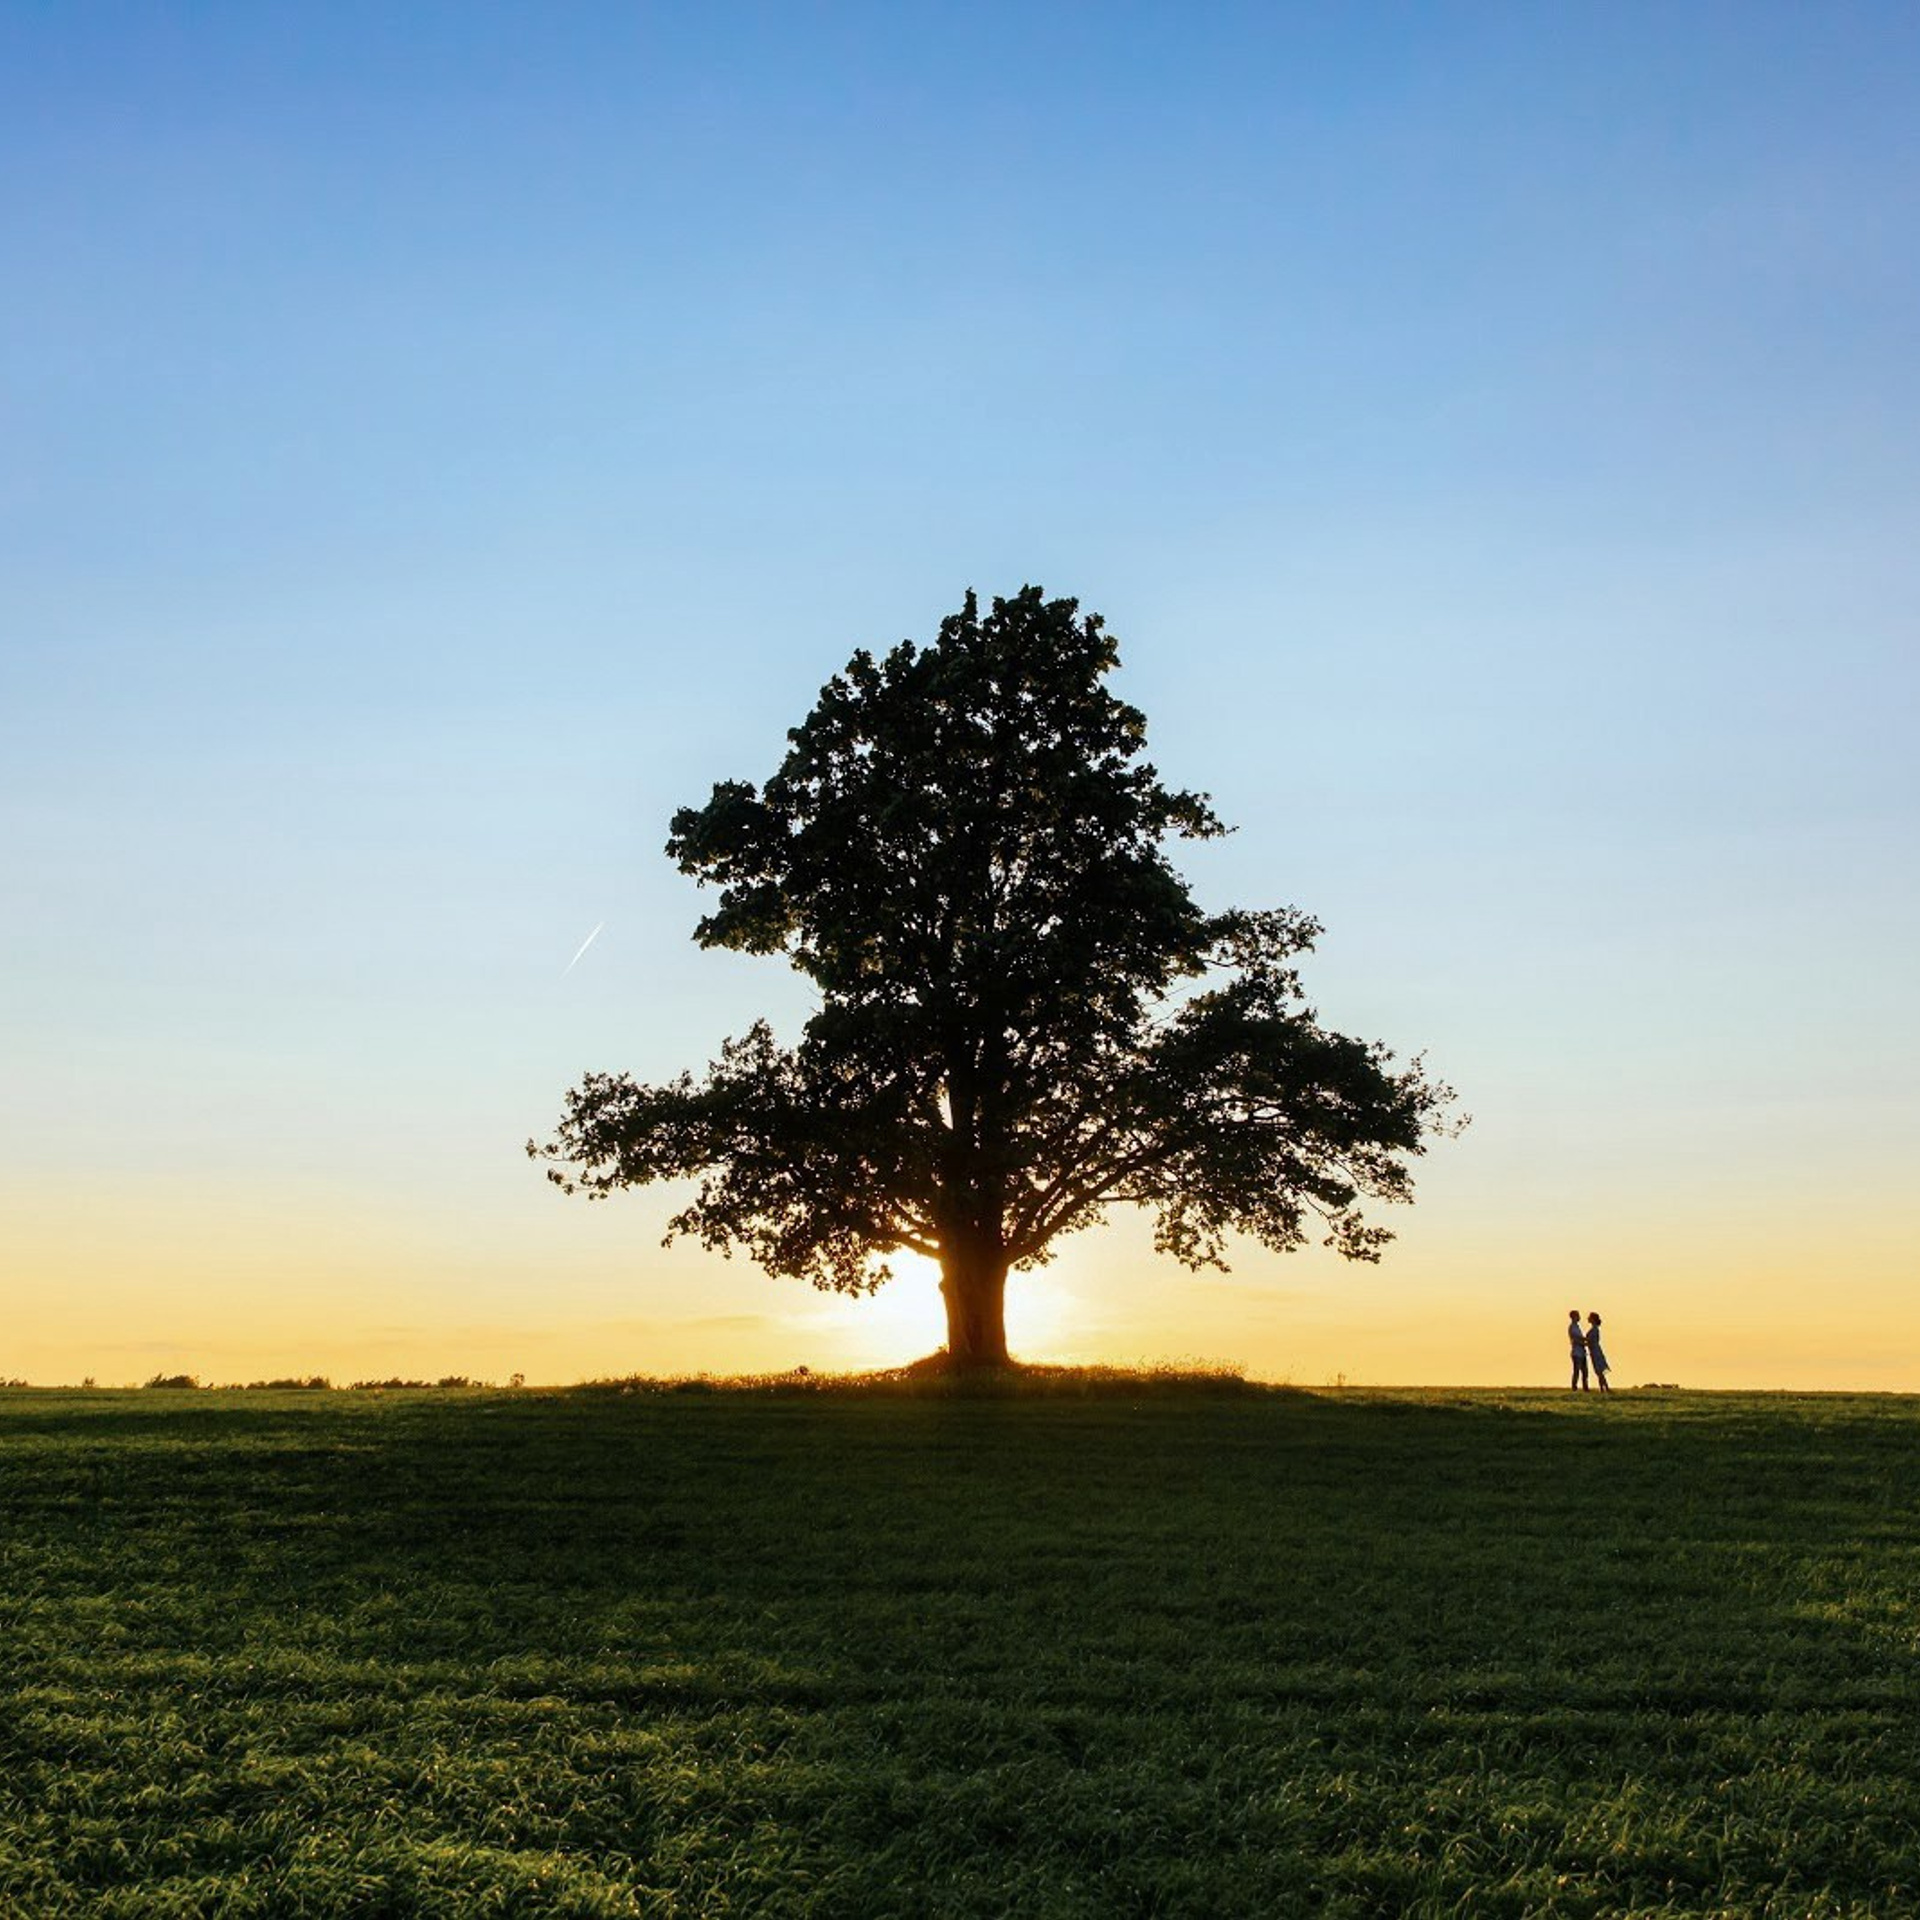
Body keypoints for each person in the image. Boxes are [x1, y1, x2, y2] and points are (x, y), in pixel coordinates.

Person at [1586, 1312, 1611, 1393]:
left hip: (1595, 1351)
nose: (1588, 1318)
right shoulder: (1594, 1329)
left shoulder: (1594, 1329)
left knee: (1599, 1371)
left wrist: (1580, 1342)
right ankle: (1604, 1388)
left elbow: (1591, 1341)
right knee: (1599, 1372)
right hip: (1594, 1350)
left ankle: (1604, 1389)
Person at [1568, 1309, 1589, 1390]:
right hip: (1577, 1353)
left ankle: (1585, 1387)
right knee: (1577, 1371)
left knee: (1585, 1371)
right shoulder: (1572, 1327)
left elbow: (1580, 1338)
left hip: (1582, 1352)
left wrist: (1586, 1340)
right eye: (1578, 1315)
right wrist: (1586, 1343)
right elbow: (1576, 1339)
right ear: (1574, 1317)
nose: (1579, 1317)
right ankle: (1574, 1387)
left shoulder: (1577, 1327)